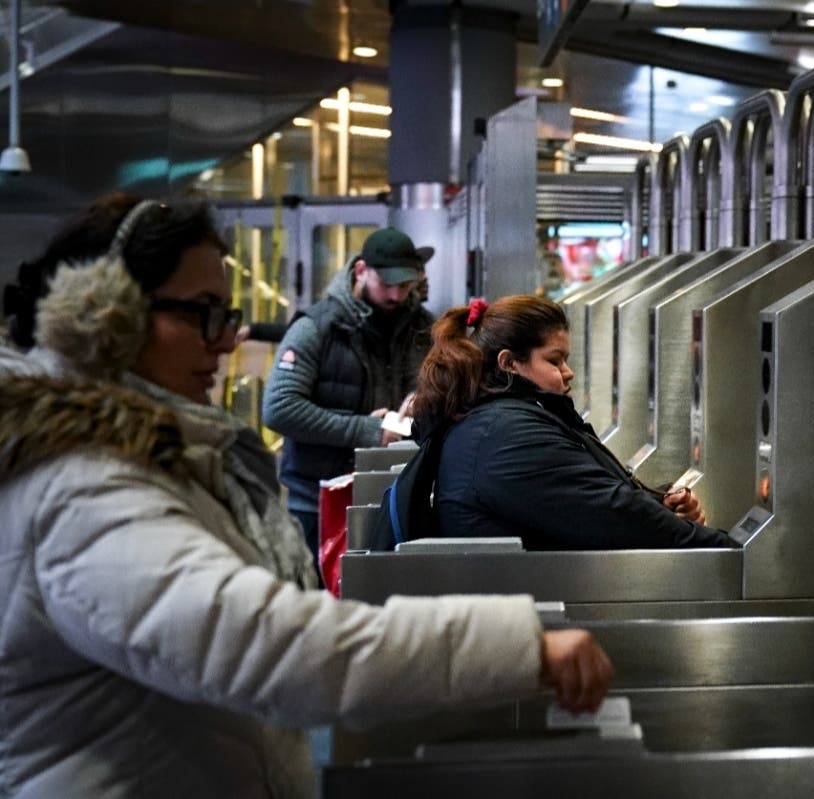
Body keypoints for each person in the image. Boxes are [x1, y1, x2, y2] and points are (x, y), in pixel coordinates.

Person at [0, 195, 613, 798]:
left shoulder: (152, 461)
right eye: (202, 311)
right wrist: (513, 645)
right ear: (106, 322)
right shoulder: (84, 490)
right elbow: (265, 642)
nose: (226, 339)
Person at [413, 294, 741, 550]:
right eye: (554, 360)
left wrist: (660, 502)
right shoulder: (508, 436)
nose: (568, 372)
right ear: (509, 363)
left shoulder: (501, 420)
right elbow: (612, 514)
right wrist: (726, 548)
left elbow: (588, 499)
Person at [262, 227, 434, 571]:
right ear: (360, 272)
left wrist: (426, 400)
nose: (397, 296)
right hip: (318, 503)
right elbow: (280, 408)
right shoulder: (317, 328)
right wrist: (369, 430)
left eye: (406, 286)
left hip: (394, 501)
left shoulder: (423, 328)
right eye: (387, 284)